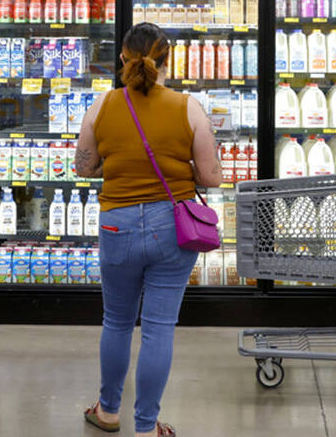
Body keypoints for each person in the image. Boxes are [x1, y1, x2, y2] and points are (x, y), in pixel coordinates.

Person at [75, 22, 222, 437]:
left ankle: (106, 412)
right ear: (167, 62)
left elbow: (83, 167)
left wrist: (117, 162)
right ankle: (145, 427)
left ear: (122, 59)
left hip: (115, 223)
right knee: (158, 329)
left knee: (117, 322)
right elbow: (210, 177)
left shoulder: (101, 107)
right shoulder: (188, 107)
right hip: (171, 227)